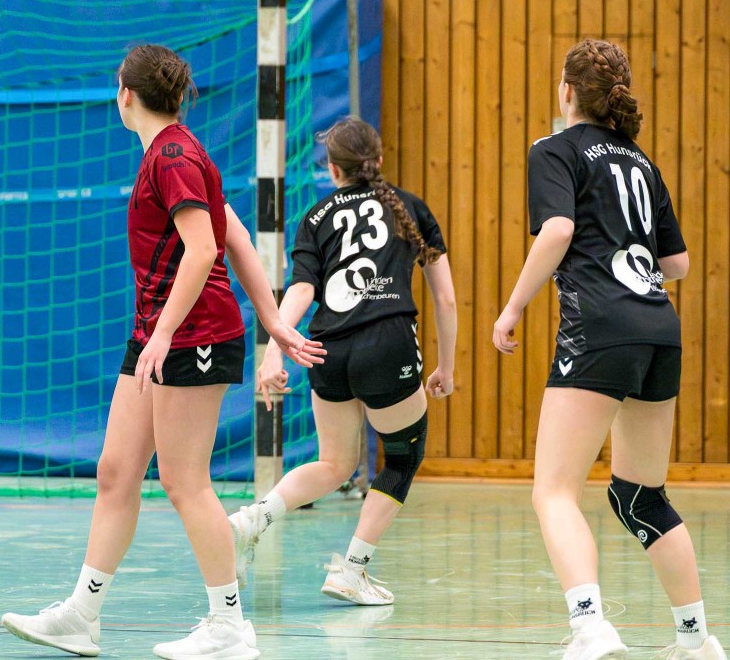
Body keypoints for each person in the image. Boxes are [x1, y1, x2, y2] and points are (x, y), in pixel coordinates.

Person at [1, 45, 324, 660]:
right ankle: (81, 616)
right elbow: (234, 232)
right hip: (157, 334)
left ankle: (230, 627)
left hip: (193, 335)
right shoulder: (172, 152)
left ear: (126, 93)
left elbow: (205, 249)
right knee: (116, 471)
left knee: (183, 480)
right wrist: (272, 320)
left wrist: (171, 332)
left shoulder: (174, 154)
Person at [493, 39, 724, 660]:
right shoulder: (641, 161)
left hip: (599, 326)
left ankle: (591, 628)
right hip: (658, 326)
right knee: (640, 495)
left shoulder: (554, 148)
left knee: (553, 491)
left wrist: (512, 307)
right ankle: (695, 639)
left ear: (567, 91)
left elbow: (558, 229)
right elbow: (678, 263)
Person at [233, 116, 457, 605]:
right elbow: (444, 299)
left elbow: (301, 291)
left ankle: (252, 520)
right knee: (402, 457)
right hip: (388, 345)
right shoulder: (409, 207)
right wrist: (446, 367)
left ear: (332, 169)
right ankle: (352, 571)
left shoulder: (315, 217)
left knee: (334, 463)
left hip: (326, 350)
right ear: (378, 160)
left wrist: (274, 350)